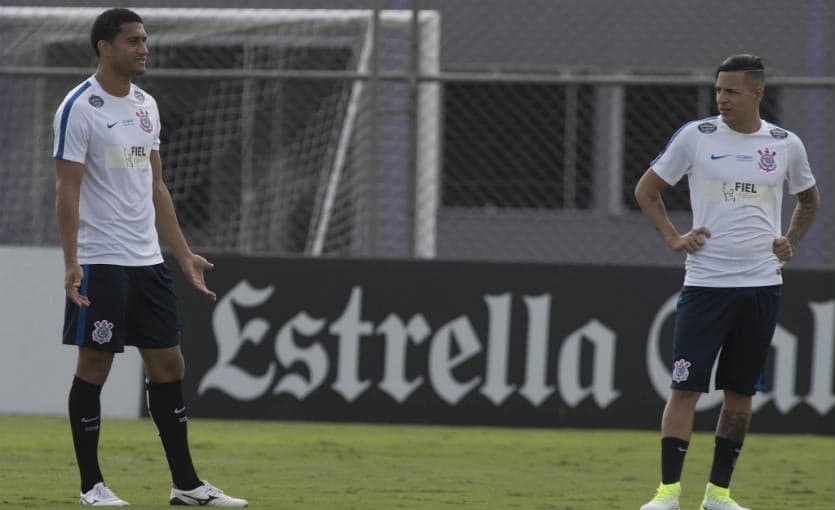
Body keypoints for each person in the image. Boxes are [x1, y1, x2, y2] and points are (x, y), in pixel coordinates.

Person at [53, 8, 248, 507]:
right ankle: (91, 486)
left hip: (147, 262)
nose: (144, 48)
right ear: (105, 46)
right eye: (133, 40)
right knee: (94, 366)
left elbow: (155, 185)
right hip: (101, 260)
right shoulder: (80, 107)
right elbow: (67, 189)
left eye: (145, 40)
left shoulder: (146, 106)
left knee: (168, 365)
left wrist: (182, 254)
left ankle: (185, 485)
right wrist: (72, 260)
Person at [634, 54, 820, 510]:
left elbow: (809, 200)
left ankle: (718, 495)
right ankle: (667, 495)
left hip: (761, 284)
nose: (722, 99)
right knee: (685, 389)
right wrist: (674, 237)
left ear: (757, 93)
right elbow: (646, 190)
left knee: (740, 393)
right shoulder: (696, 137)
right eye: (718, 89)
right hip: (705, 284)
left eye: (732, 91)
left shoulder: (785, 144)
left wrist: (789, 239)